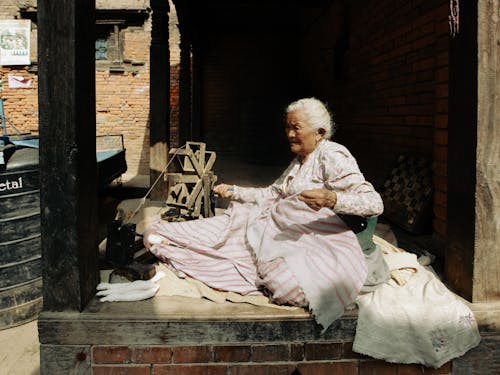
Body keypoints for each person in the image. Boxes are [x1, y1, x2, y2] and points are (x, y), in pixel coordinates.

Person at [144, 97, 389, 330]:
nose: (289, 134)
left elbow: (373, 203)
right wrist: (234, 191)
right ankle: (170, 235)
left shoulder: (332, 155)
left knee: (285, 285)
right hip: (278, 228)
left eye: (296, 128)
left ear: (320, 133)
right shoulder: (300, 161)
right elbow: (272, 194)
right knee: (219, 229)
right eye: (287, 127)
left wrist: (331, 198)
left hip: (316, 240)